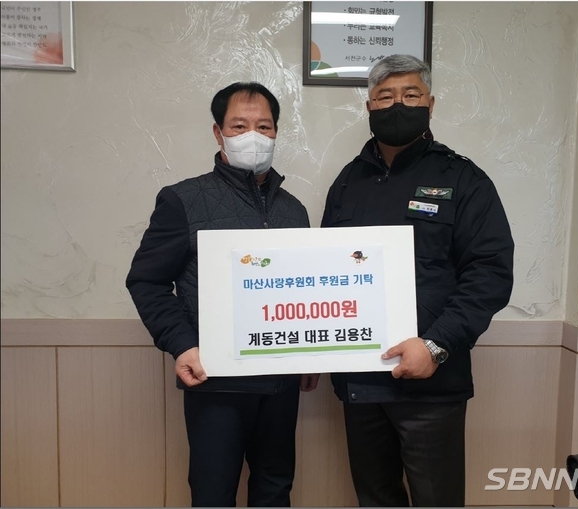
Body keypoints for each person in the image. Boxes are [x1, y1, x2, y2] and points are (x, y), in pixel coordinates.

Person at [321, 54, 514, 507]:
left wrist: (435, 346)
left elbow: (489, 274)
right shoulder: (347, 182)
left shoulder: (463, 179)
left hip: (432, 384)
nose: (397, 105)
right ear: (369, 107)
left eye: (411, 95)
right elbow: (327, 274)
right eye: (385, 96)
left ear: (430, 104)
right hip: (360, 381)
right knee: (375, 498)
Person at [126, 82, 319, 507]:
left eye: (264, 126)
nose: (253, 135)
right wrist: (182, 345)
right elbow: (146, 282)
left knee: (275, 488)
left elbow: (301, 290)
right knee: (213, 492)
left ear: (276, 132)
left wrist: (309, 356)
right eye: (239, 125)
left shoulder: (294, 210)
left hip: (282, 380)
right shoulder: (183, 200)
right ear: (218, 133)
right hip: (215, 381)